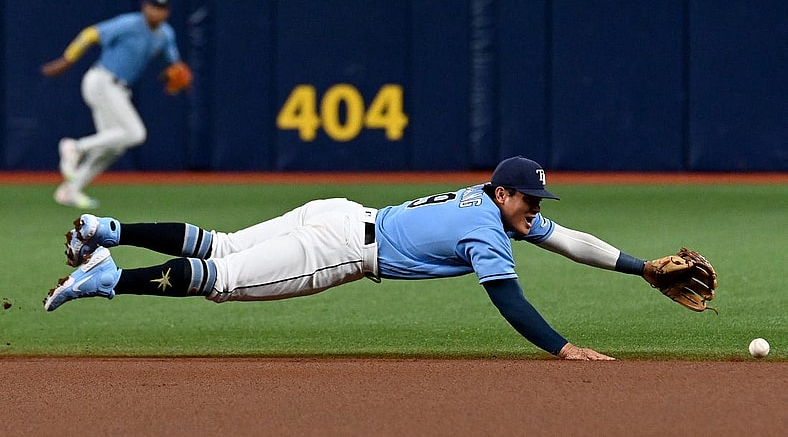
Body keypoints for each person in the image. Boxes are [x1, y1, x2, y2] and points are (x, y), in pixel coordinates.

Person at [43, 156, 661, 360]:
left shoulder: (485, 205)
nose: (536, 209)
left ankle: (105, 226)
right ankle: (111, 275)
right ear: (504, 193)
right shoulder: (491, 231)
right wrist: (562, 349)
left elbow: (567, 239)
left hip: (336, 211)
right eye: (530, 199)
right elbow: (508, 298)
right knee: (223, 278)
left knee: (222, 245)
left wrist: (642, 267)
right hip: (342, 246)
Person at [40, 0, 188, 209]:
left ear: (167, 12)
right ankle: (74, 147)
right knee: (136, 133)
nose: (158, 12)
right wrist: (67, 59)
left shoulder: (165, 34)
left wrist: (173, 77)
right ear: (145, 7)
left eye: (162, 8)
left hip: (119, 89)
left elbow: (175, 67)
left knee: (113, 147)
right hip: (101, 81)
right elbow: (90, 34)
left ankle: (69, 191)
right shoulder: (129, 24)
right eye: (154, 7)